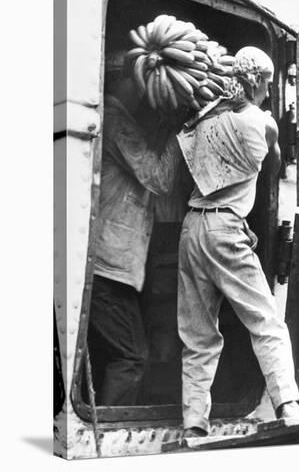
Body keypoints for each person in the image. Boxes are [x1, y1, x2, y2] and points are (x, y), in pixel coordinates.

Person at [176, 46, 299, 438]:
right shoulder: (262, 122)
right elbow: (277, 158)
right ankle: (289, 405)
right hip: (224, 232)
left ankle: (194, 424)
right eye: (268, 83)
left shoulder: (202, 119)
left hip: (192, 226)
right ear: (255, 81)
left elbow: (214, 178)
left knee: (198, 336)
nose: (269, 92)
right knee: (266, 321)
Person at [87, 50, 183, 406]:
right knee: (131, 357)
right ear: (125, 81)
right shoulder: (114, 120)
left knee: (122, 354)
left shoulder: (119, 123)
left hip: (117, 268)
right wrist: (180, 130)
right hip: (107, 269)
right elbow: (158, 176)